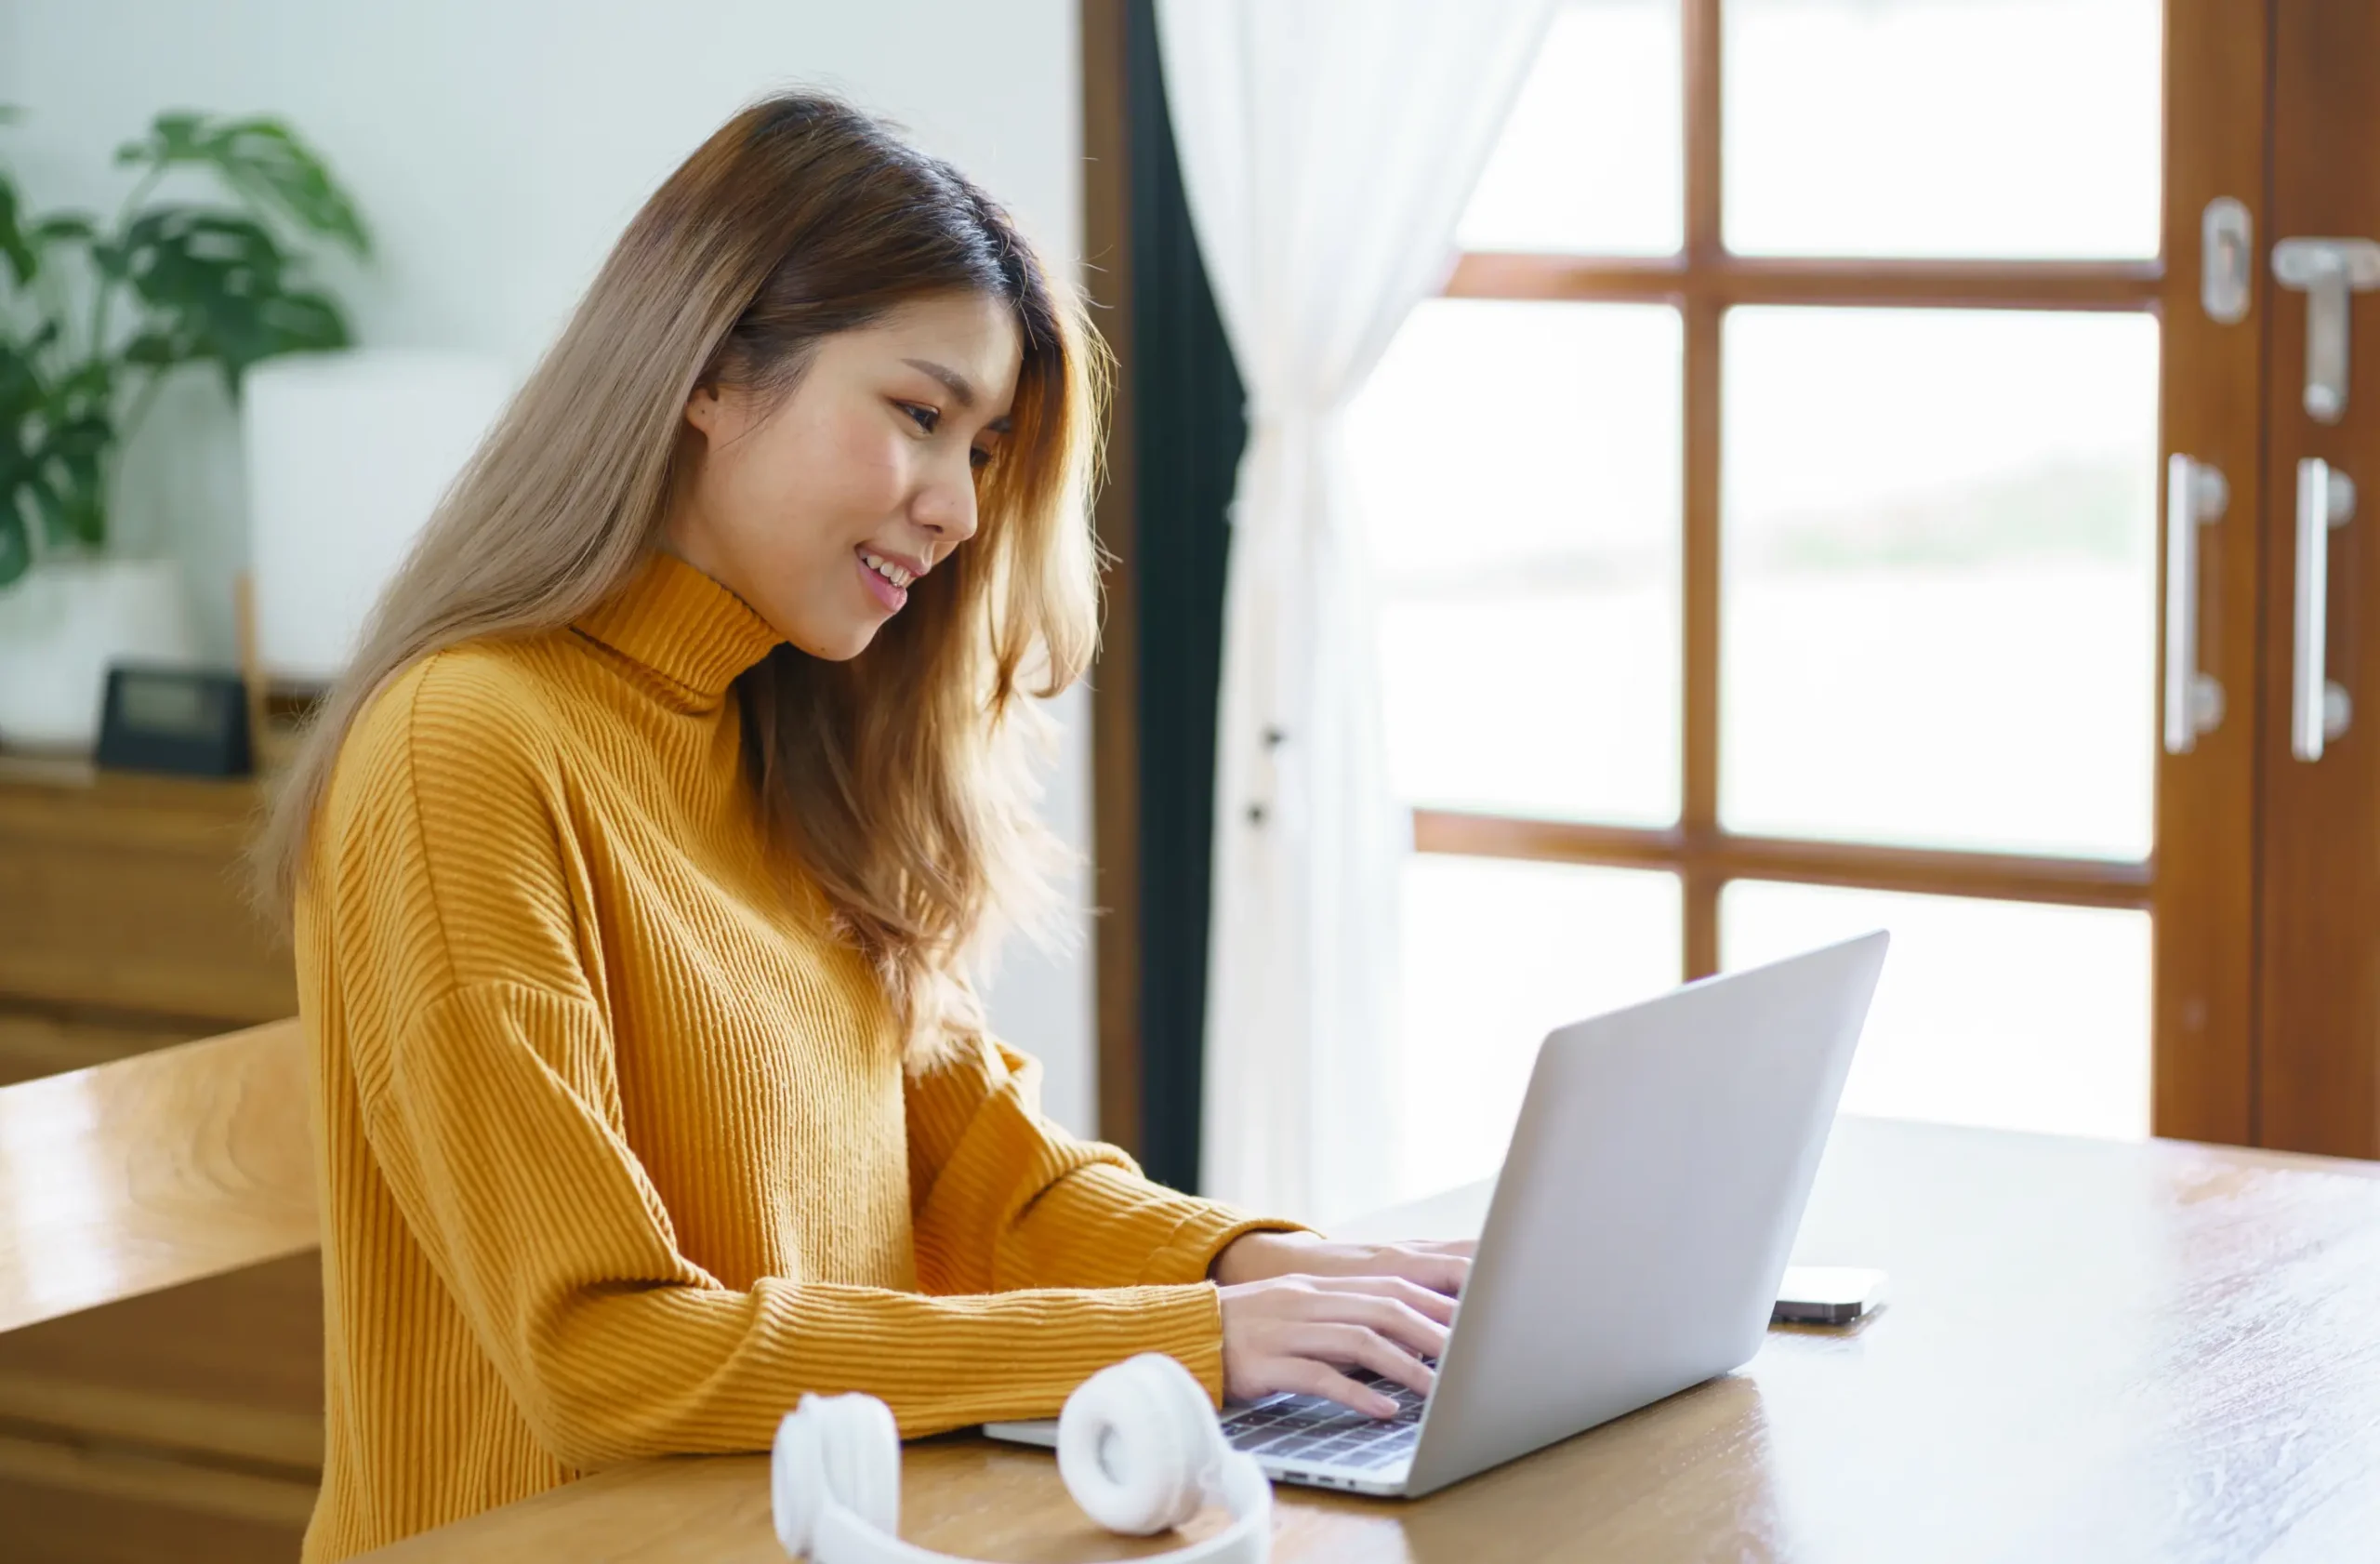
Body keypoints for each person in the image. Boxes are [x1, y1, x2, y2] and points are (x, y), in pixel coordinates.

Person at [254, 94, 1468, 1561]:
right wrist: (1194, 1339)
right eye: (920, 415)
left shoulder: (794, 735)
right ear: (712, 369)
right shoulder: (461, 750)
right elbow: (600, 1355)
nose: (958, 505)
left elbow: (980, 1184)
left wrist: (1282, 1270)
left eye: (985, 448)